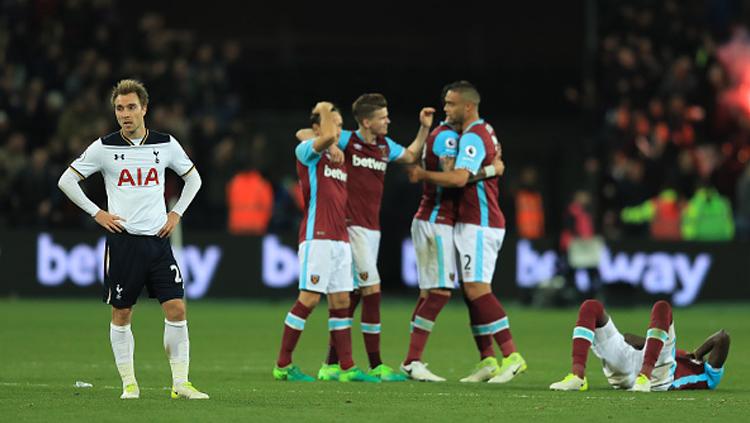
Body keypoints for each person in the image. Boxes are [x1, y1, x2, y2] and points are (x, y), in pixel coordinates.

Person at [57, 79, 207, 399]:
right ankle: (129, 382)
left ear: (144, 109)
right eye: (119, 108)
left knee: (177, 308)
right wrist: (97, 212)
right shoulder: (104, 147)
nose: (125, 114)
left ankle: (180, 383)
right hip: (124, 242)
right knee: (122, 313)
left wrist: (176, 213)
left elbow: (193, 178)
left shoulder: (165, 144)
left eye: (131, 107)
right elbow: (66, 180)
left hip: (158, 240)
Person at [298, 94, 434, 382]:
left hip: (372, 229)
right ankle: (376, 365)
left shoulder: (384, 146)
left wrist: (423, 129)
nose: (388, 120)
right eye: (383, 117)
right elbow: (306, 134)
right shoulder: (348, 139)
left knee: (354, 295)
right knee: (372, 289)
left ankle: (331, 364)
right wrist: (333, 145)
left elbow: (411, 155)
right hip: (350, 226)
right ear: (366, 121)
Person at [407, 81, 527, 384]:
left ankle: (511, 355)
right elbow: (471, 172)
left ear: (468, 106)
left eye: (451, 104)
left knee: (474, 290)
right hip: (461, 221)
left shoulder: (471, 136)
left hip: (478, 222)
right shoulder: (481, 131)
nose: (445, 109)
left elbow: (458, 177)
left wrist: (422, 174)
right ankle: (487, 360)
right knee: (466, 294)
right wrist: (490, 170)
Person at [273, 102, 379, 383]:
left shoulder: (337, 156)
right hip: (316, 236)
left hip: (340, 238)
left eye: (342, 124)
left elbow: (327, 136)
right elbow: (310, 135)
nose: (339, 130)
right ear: (319, 127)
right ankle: (283, 364)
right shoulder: (306, 153)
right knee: (308, 299)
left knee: (342, 300)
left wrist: (330, 134)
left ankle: (347, 367)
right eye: (335, 123)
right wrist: (322, 111)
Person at [550, 299, 729, 391]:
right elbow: (628, 338)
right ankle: (577, 376)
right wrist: (651, 344)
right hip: (630, 368)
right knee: (591, 307)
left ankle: (644, 377)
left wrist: (698, 354)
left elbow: (722, 338)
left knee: (662, 307)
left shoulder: (710, 378)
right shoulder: (679, 354)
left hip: (660, 377)